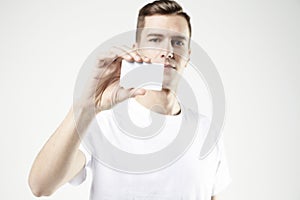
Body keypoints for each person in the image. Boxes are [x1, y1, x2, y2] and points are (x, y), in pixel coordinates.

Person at [28, 0, 231, 199]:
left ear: (187, 55)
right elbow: (40, 186)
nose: (168, 52)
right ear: (137, 49)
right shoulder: (101, 122)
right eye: (155, 40)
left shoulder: (207, 131)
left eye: (177, 43)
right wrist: (86, 106)